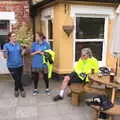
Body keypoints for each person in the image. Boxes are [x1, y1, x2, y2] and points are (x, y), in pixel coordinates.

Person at [3, 32, 26, 97]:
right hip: (11, 66)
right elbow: (5, 56)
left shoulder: (18, 44)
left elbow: (21, 54)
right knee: (17, 79)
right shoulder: (6, 45)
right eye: (13, 36)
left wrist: (24, 49)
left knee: (19, 78)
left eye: (15, 36)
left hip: (20, 64)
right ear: (10, 37)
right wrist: (5, 53)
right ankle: (20, 90)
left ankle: (17, 90)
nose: (15, 37)